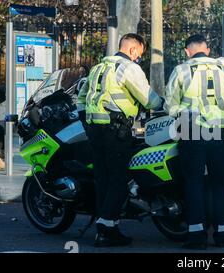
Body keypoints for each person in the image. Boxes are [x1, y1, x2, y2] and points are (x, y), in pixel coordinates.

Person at [77, 33, 163, 247]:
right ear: (133, 50)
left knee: (103, 179)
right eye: (139, 55)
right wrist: (162, 104)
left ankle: (108, 225)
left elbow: (81, 98)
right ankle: (105, 230)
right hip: (116, 131)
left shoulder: (99, 67)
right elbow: (148, 98)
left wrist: (86, 122)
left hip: (95, 130)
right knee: (120, 179)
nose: (138, 59)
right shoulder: (128, 68)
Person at [164, 34, 224, 250]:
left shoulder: (182, 70)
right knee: (220, 185)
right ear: (206, 50)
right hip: (222, 132)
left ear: (188, 51)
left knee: (194, 183)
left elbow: (170, 105)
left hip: (192, 132)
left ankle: (197, 237)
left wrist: (182, 113)